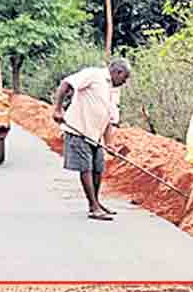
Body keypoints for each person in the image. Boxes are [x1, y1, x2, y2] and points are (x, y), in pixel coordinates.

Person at [51, 59, 132, 221]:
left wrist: (109, 144)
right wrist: (58, 109)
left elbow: (109, 119)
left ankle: (96, 203)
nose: (125, 82)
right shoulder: (94, 75)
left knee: (98, 168)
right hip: (79, 130)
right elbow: (66, 83)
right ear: (118, 72)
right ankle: (93, 206)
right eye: (124, 78)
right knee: (86, 167)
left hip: (95, 136)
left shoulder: (114, 91)